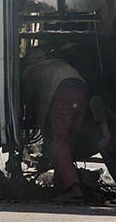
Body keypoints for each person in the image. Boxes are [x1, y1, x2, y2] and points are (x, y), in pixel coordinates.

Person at [21, 48, 89, 202]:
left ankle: (73, 188)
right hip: (81, 89)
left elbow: (27, 100)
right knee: (67, 141)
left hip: (62, 93)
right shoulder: (58, 64)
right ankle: (63, 181)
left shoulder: (30, 71)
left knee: (59, 142)